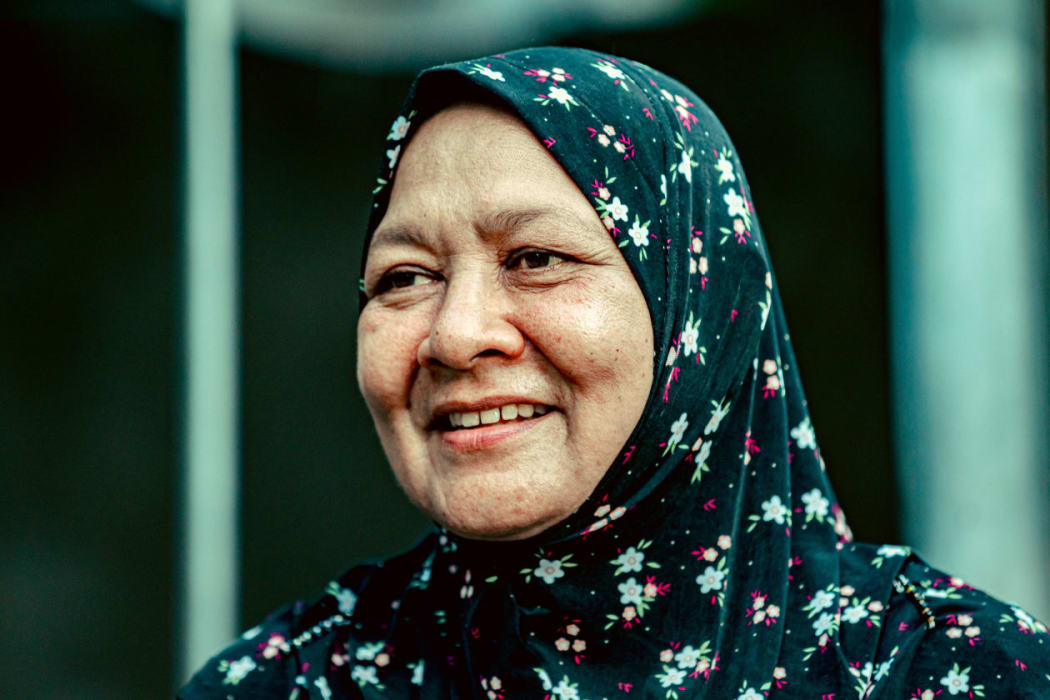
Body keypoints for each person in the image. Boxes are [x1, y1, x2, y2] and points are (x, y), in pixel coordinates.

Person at [178, 46, 1050, 699]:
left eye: (536, 259)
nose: (456, 336)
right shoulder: (289, 683)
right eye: (405, 277)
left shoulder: (947, 673)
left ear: (699, 311)